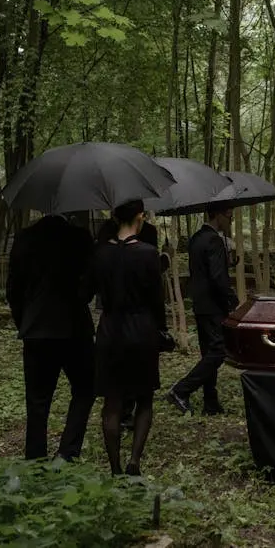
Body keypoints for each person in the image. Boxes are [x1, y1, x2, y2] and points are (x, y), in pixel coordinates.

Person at [6, 214, 95, 461]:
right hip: (74, 327)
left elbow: (13, 290)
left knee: (37, 400)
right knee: (85, 388)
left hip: (36, 330)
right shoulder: (80, 237)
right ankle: (67, 453)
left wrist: (24, 322)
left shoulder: (25, 238)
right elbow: (89, 287)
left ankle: (35, 459)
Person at [89, 199, 167, 476]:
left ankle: (115, 467)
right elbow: (158, 300)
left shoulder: (99, 253)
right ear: (140, 217)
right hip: (141, 329)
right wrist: (162, 329)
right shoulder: (147, 254)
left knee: (112, 401)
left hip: (110, 330)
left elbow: (92, 290)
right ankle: (134, 460)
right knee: (144, 398)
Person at [167, 202, 239, 416]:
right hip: (214, 305)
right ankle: (181, 390)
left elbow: (204, 270)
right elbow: (217, 278)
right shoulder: (214, 240)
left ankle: (211, 402)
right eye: (229, 216)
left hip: (200, 304)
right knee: (218, 352)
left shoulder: (197, 238)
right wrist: (232, 301)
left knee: (209, 352)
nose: (231, 221)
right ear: (219, 215)